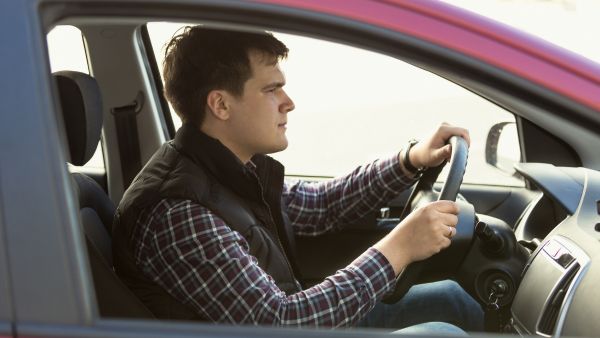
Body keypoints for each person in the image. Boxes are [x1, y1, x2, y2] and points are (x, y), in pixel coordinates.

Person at [112, 26, 483, 334]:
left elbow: (323, 205)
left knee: (452, 297)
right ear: (221, 105)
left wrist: (409, 160)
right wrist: (400, 248)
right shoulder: (178, 211)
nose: (288, 102)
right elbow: (282, 323)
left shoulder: (229, 170)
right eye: (271, 89)